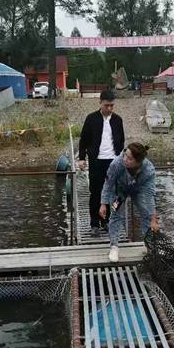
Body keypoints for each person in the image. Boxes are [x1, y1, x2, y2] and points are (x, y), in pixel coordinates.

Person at [100, 143, 159, 262]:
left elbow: (149, 195)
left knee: (146, 214)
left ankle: (149, 246)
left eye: (130, 158)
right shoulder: (117, 163)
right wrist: (103, 203)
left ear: (138, 162)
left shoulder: (149, 170)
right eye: (125, 155)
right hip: (119, 190)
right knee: (116, 215)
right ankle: (114, 246)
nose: (125, 159)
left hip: (139, 189)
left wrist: (153, 218)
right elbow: (108, 183)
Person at [78, 90, 125, 237]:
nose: (109, 108)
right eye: (106, 105)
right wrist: (81, 158)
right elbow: (83, 140)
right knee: (95, 191)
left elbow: (121, 141)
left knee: (112, 192)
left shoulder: (118, 120)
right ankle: (94, 223)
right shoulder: (91, 119)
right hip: (96, 160)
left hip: (113, 161)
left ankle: (106, 221)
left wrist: (121, 159)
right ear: (100, 103)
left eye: (112, 105)